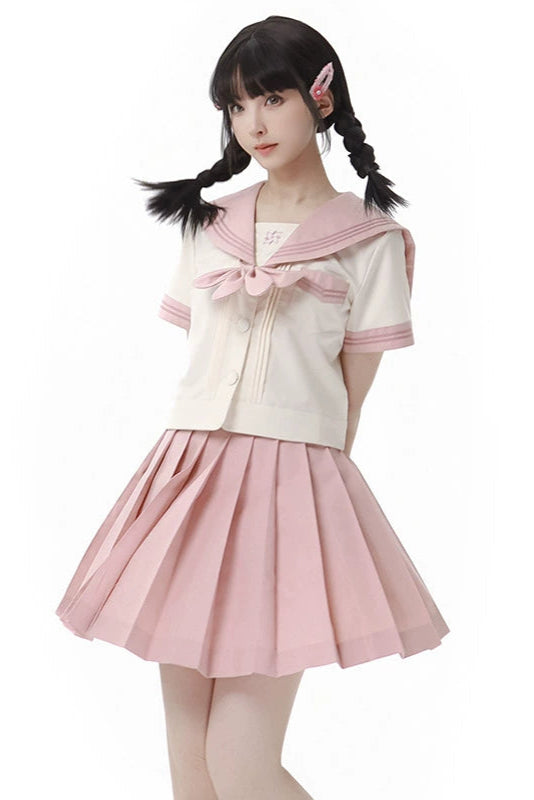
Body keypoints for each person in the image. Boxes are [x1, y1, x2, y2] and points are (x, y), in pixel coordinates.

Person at [55, 15, 450, 800]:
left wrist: (310, 508)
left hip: (289, 491)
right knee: (191, 769)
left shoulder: (371, 243)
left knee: (240, 763)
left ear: (321, 99)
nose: (253, 124)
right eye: (236, 106)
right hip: (186, 482)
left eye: (272, 98)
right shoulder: (208, 226)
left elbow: (348, 408)